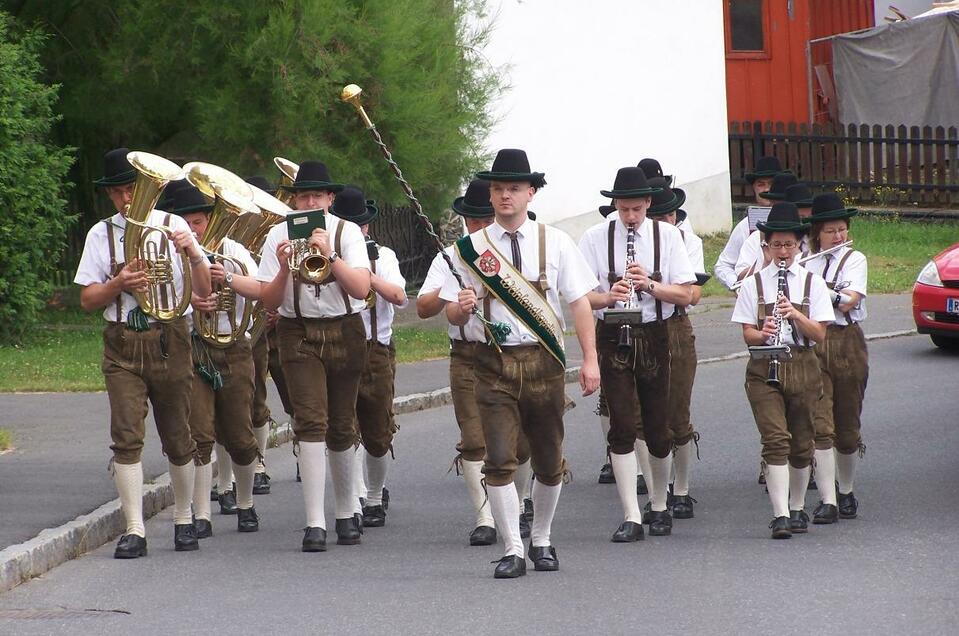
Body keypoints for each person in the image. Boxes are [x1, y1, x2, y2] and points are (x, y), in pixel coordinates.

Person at [441, 149, 601, 578]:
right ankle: (513, 547)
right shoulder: (469, 249)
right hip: (491, 364)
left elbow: (579, 303)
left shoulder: (557, 241)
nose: (504, 195)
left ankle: (542, 538)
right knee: (498, 459)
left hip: (543, 362)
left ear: (530, 192)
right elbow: (450, 314)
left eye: (513, 188)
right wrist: (461, 307)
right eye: (498, 188)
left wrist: (590, 360)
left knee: (549, 461)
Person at [74, 148, 212, 557]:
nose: (126, 199)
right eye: (118, 193)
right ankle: (134, 528)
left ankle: (184, 519)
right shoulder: (101, 233)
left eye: (131, 189)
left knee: (178, 436)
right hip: (122, 341)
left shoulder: (172, 225)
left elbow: (203, 291)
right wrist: (119, 283)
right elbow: (87, 300)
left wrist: (192, 251)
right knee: (126, 437)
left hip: (170, 337)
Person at [255, 160, 372, 552]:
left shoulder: (348, 231)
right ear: (294, 199)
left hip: (344, 329)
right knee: (309, 421)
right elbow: (268, 301)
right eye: (302, 196)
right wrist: (285, 270)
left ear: (329, 199)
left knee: (341, 423)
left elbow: (360, 289)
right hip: (298, 332)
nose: (309, 201)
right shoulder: (276, 234)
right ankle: (314, 523)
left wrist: (331, 254)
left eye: (316, 196)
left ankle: (344, 513)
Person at [579, 167, 695, 543]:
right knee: (622, 426)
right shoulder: (595, 238)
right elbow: (580, 300)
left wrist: (650, 285)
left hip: (654, 333)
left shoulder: (668, 236)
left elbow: (686, 294)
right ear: (615, 204)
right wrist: (608, 295)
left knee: (659, 428)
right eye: (623, 209)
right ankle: (631, 514)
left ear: (648, 203)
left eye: (636, 209)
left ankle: (659, 504)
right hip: (612, 334)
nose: (629, 217)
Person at [417, 180, 535, 546]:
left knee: (522, 441)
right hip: (469, 355)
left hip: (516, 353)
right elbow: (422, 308)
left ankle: (520, 503)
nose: (479, 229)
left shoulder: (518, 252)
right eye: (472, 222)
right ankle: (485, 516)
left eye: (485, 221)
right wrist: (451, 297)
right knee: (473, 439)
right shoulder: (450, 256)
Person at [731, 202, 834, 539]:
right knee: (775, 440)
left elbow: (819, 333)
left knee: (803, 442)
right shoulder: (753, 284)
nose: (783, 251)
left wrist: (795, 314)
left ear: (799, 245)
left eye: (789, 244)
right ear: (767, 245)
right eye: (776, 244)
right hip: (764, 365)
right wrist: (763, 331)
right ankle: (779, 515)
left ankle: (797, 505)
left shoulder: (812, 283)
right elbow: (747, 333)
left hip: (802, 363)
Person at [176, 183, 262, 537]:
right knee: (198, 435)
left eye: (197, 221)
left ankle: (245, 503)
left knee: (240, 435)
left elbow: (261, 292)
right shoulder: (171, 253)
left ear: (210, 219)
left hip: (234, 349)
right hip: (194, 348)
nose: (193, 230)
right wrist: (190, 302)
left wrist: (228, 278)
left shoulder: (235, 250)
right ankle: (202, 514)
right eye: (186, 222)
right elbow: (160, 306)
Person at [329, 186, 408, 528]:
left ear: (366, 228)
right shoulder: (328, 258)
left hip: (376, 349)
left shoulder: (385, 256)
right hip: (338, 347)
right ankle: (354, 500)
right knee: (344, 427)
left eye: (359, 227)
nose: (355, 233)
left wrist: (366, 275)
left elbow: (400, 296)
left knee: (377, 432)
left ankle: (375, 494)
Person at [804, 193, 869, 522]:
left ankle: (846, 490)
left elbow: (847, 301)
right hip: (815, 341)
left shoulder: (855, 259)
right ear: (817, 232)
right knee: (822, 426)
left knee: (847, 428)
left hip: (846, 342)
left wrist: (817, 288)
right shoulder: (805, 261)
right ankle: (827, 499)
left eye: (842, 229)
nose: (839, 237)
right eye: (831, 231)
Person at [644, 176, 705, 520]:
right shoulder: (628, 243)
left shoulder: (686, 241)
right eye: (657, 216)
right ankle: (657, 492)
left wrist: (654, 286)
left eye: (668, 216)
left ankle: (681, 489)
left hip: (676, 326)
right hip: (640, 325)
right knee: (645, 417)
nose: (662, 222)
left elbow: (692, 293)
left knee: (677, 414)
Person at [713, 156, 783, 289]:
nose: (766, 189)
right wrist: (737, 285)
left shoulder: (799, 221)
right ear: (754, 188)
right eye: (761, 184)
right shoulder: (745, 226)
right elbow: (723, 265)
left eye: (771, 184)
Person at [735, 183, 814, 282]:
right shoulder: (756, 239)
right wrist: (766, 264)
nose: (806, 223)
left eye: (809, 218)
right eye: (801, 218)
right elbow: (740, 279)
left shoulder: (816, 241)